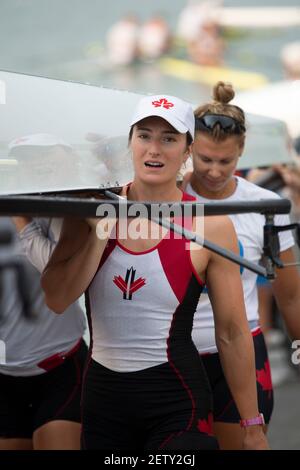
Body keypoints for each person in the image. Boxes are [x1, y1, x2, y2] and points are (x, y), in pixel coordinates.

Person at [41, 93, 269, 450]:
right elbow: (56, 299)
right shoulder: (88, 210)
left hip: (178, 402)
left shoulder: (211, 225)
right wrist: (102, 229)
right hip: (103, 403)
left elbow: (231, 332)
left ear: (187, 150)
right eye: (144, 135)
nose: (154, 150)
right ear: (129, 142)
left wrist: (252, 427)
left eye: (169, 139)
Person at [182, 81, 300, 449]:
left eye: (226, 161)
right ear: (188, 148)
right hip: (177, 357)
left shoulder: (266, 204)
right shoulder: (165, 200)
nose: (215, 172)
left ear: (242, 152)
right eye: (205, 159)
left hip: (243, 350)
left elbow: (292, 296)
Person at [0, 217, 87, 450]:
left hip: (60, 365)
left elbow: (62, 281)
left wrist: (20, 216)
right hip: (4, 373)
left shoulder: (47, 202)